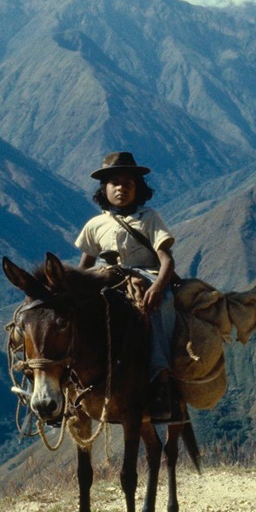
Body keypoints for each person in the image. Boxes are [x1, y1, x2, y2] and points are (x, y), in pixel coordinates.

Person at [75, 151, 177, 420]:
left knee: (161, 305)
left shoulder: (149, 218)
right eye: (115, 183)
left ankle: (162, 379)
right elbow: (84, 268)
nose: (121, 188)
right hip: (109, 278)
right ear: (104, 189)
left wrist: (157, 289)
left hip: (147, 277)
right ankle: (69, 382)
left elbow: (167, 261)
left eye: (128, 183)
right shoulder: (95, 225)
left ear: (137, 188)